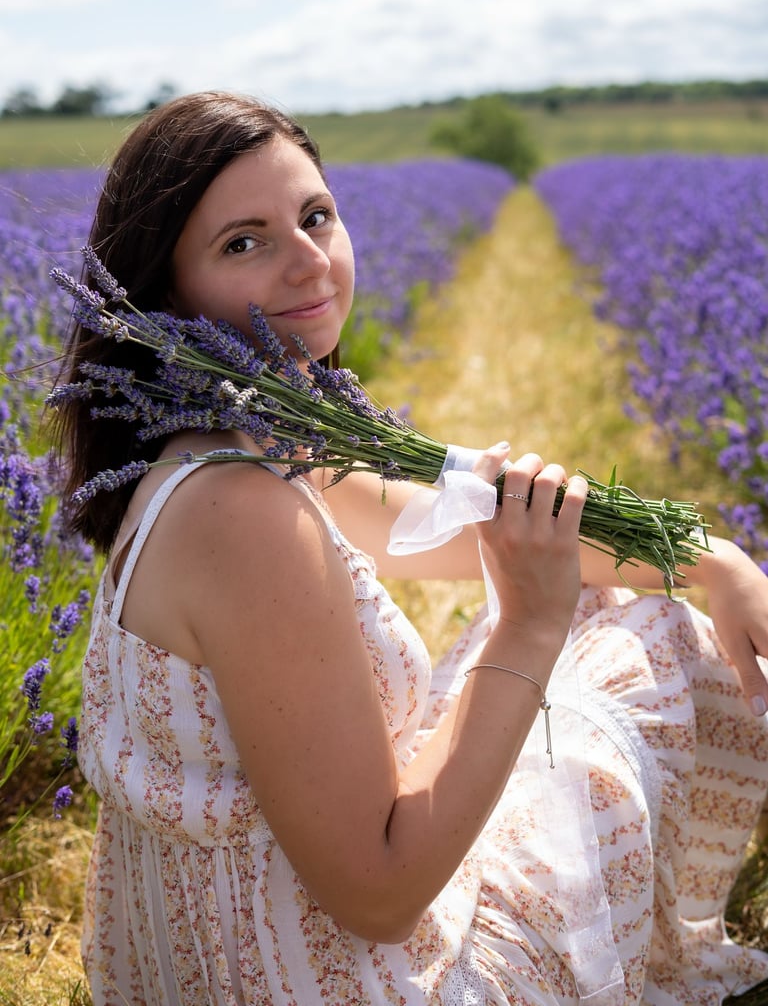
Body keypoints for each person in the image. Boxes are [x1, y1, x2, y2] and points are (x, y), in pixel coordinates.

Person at [54, 90, 768, 1006]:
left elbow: (480, 520)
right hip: (360, 978)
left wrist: (714, 559)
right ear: (163, 293)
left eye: (316, 217)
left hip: (253, 959)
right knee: (633, 642)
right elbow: (379, 897)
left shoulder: (254, 452)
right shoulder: (241, 516)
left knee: (616, 595)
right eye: (245, 242)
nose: (310, 263)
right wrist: (526, 623)